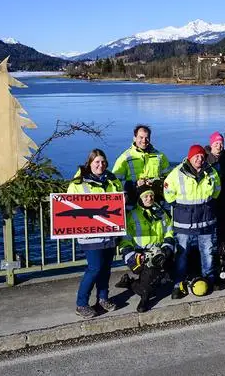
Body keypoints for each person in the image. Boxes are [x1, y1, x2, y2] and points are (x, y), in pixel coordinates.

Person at [69, 149, 123, 318]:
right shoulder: (78, 183)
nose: (101, 165)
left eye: (103, 162)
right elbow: (70, 207)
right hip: (90, 235)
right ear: (90, 163)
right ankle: (81, 303)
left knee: (106, 268)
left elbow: (119, 201)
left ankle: (103, 298)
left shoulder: (112, 180)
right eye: (97, 162)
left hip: (109, 233)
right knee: (94, 268)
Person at [163, 144, 221, 299]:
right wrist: (180, 206)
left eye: (202, 156)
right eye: (196, 156)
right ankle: (179, 283)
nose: (199, 159)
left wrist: (208, 205)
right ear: (190, 157)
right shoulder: (177, 173)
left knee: (208, 252)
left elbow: (217, 190)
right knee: (181, 254)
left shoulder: (211, 172)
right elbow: (168, 193)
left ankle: (209, 279)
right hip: (184, 223)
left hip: (206, 220)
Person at [117, 188, 175, 313]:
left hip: (158, 251)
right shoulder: (131, 215)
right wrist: (131, 254)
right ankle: (145, 297)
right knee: (151, 277)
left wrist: (167, 247)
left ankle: (134, 286)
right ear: (140, 199)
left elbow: (169, 231)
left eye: (151, 196)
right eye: (146, 196)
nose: (149, 199)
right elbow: (125, 239)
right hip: (139, 253)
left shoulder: (161, 213)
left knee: (154, 276)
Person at [112, 125, 170, 208]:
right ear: (134, 138)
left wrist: (158, 182)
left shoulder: (159, 156)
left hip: (155, 199)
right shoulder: (126, 157)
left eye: (147, 138)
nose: (144, 141)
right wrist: (134, 183)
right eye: (141, 137)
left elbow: (169, 178)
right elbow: (115, 182)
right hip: (133, 199)